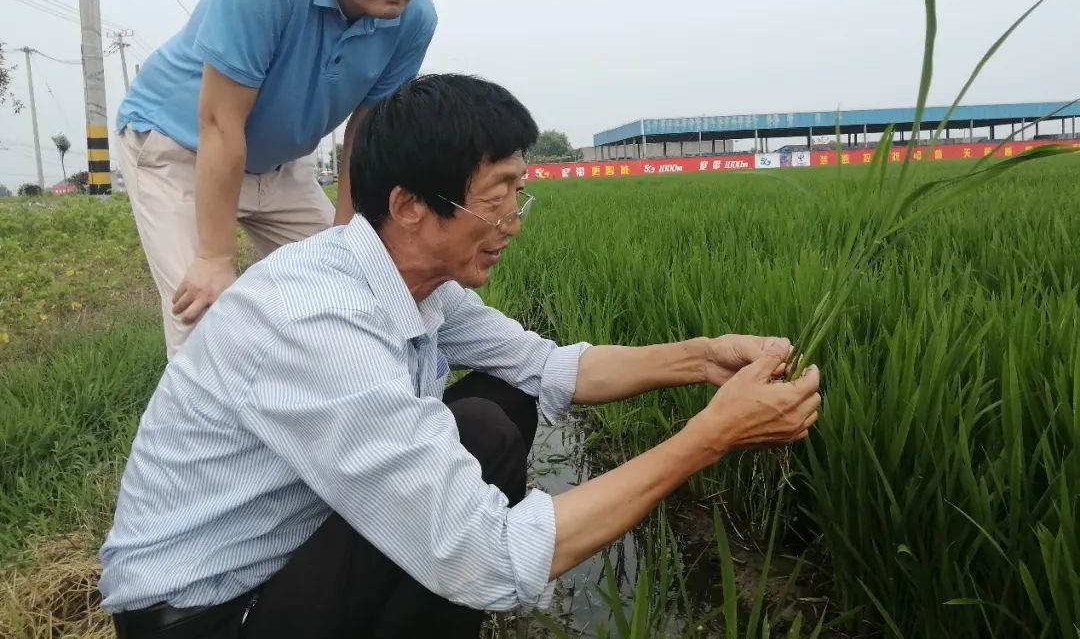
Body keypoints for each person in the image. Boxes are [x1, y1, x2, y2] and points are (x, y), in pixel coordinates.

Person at [99, 74, 822, 639]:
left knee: (497, 407)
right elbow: (493, 557)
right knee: (471, 483)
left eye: (519, 193)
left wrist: (702, 359)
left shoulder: (412, 281)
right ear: (412, 205)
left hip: (286, 558)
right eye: (497, 197)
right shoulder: (318, 322)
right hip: (210, 617)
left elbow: (548, 367)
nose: (513, 222)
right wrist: (712, 435)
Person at [114, 0, 442, 358]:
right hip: (181, 149)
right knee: (204, 322)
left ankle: (327, 416)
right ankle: (204, 432)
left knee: (353, 290)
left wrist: (347, 234)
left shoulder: (413, 20)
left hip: (280, 167)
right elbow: (220, 123)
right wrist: (216, 256)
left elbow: (366, 135)